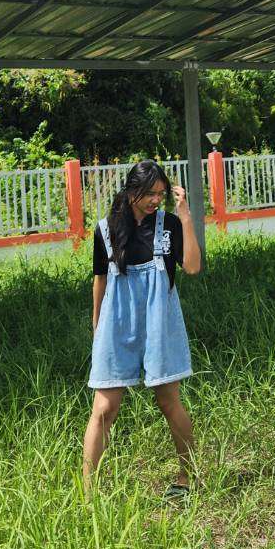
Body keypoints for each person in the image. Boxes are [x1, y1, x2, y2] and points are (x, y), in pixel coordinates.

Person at [82, 161, 201, 498]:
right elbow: (100, 280)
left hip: (160, 322)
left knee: (168, 401)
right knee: (104, 408)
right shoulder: (105, 229)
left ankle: (188, 478)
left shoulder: (169, 225)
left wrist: (186, 215)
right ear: (132, 190)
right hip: (116, 324)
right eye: (150, 193)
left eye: (161, 194)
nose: (155, 200)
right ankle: (87, 493)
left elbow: (193, 267)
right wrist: (97, 326)